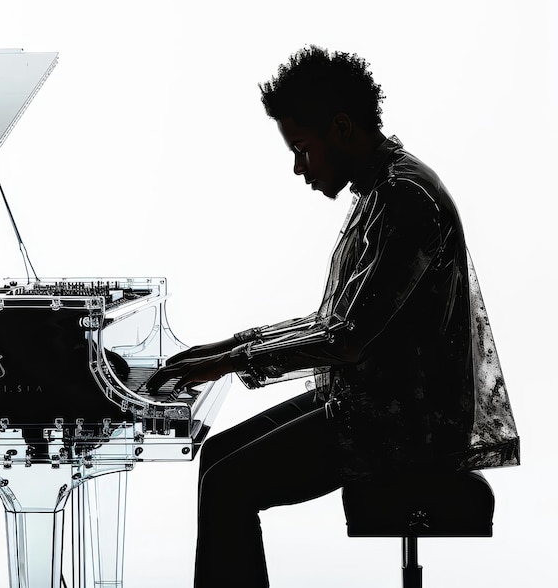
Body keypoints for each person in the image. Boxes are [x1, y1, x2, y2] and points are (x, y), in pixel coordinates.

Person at [146, 46, 519, 588]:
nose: (299, 167)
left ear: (341, 127)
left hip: (408, 425)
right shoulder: (381, 188)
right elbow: (335, 320)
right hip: (376, 399)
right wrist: (222, 349)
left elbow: (346, 340)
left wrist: (230, 360)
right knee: (217, 459)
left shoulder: (405, 199)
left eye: (301, 148)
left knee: (229, 484)